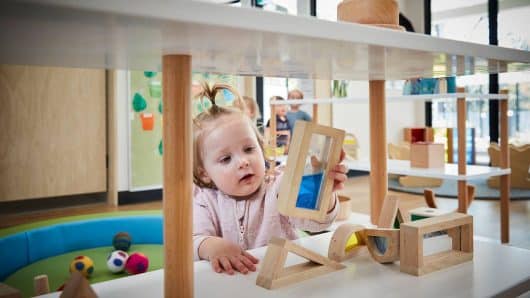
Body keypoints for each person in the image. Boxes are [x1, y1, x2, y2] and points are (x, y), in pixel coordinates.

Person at [192, 82, 348, 275]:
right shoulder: (204, 199)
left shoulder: (278, 185)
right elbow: (192, 242)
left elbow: (315, 224)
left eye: (249, 149)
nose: (243, 162)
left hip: (280, 277)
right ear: (204, 173)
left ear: (261, 148)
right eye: (226, 158)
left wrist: (324, 192)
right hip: (232, 283)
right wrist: (211, 246)